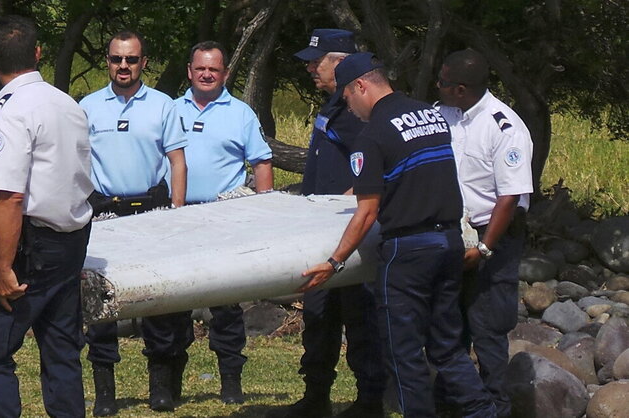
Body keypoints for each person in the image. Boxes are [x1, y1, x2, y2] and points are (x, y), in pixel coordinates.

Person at [300, 52, 497, 418]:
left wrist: (334, 261)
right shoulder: (430, 114)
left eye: (347, 97)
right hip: (449, 242)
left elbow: (367, 211)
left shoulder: (372, 134)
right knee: (448, 348)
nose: (350, 107)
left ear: (360, 85)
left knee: (403, 354)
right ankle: (483, 413)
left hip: (408, 253)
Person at [0, 15, 93, 417]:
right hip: (71, 240)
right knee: (60, 348)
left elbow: (10, 198)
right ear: (38, 53)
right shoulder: (67, 104)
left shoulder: (10, 112)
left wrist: (2, 267)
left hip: (32, 246)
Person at [79, 30, 189, 415]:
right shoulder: (88, 106)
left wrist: (177, 209)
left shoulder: (163, 106)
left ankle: (159, 387)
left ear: (144, 62)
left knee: (156, 301)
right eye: (115, 59)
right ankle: (106, 392)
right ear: (107, 61)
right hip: (104, 212)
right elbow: (76, 164)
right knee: (101, 304)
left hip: (153, 211)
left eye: (131, 59)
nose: (123, 66)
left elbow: (177, 161)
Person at [280, 29, 387, 418]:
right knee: (318, 317)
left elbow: (375, 168)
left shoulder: (360, 113)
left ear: (340, 63)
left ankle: (369, 400)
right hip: (318, 235)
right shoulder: (331, 106)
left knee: (360, 320)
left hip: (349, 234)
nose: (310, 67)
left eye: (316, 60)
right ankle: (315, 397)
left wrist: (348, 202)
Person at [173, 40, 273, 405]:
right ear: (189, 70)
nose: (206, 74)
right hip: (178, 217)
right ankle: (170, 383)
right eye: (200, 68)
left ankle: (230, 381)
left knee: (227, 309)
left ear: (225, 73)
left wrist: (263, 214)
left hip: (224, 217)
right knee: (173, 303)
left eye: (214, 69)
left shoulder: (242, 114)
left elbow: (261, 163)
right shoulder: (170, 109)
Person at [434, 49, 532, 417]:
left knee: (488, 327)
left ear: (461, 88)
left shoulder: (504, 126)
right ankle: (449, 403)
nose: (436, 86)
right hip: (449, 229)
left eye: (442, 81)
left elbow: (510, 195)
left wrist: (485, 248)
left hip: (493, 233)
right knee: (448, 322)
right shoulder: (441, 114)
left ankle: (495, 407)